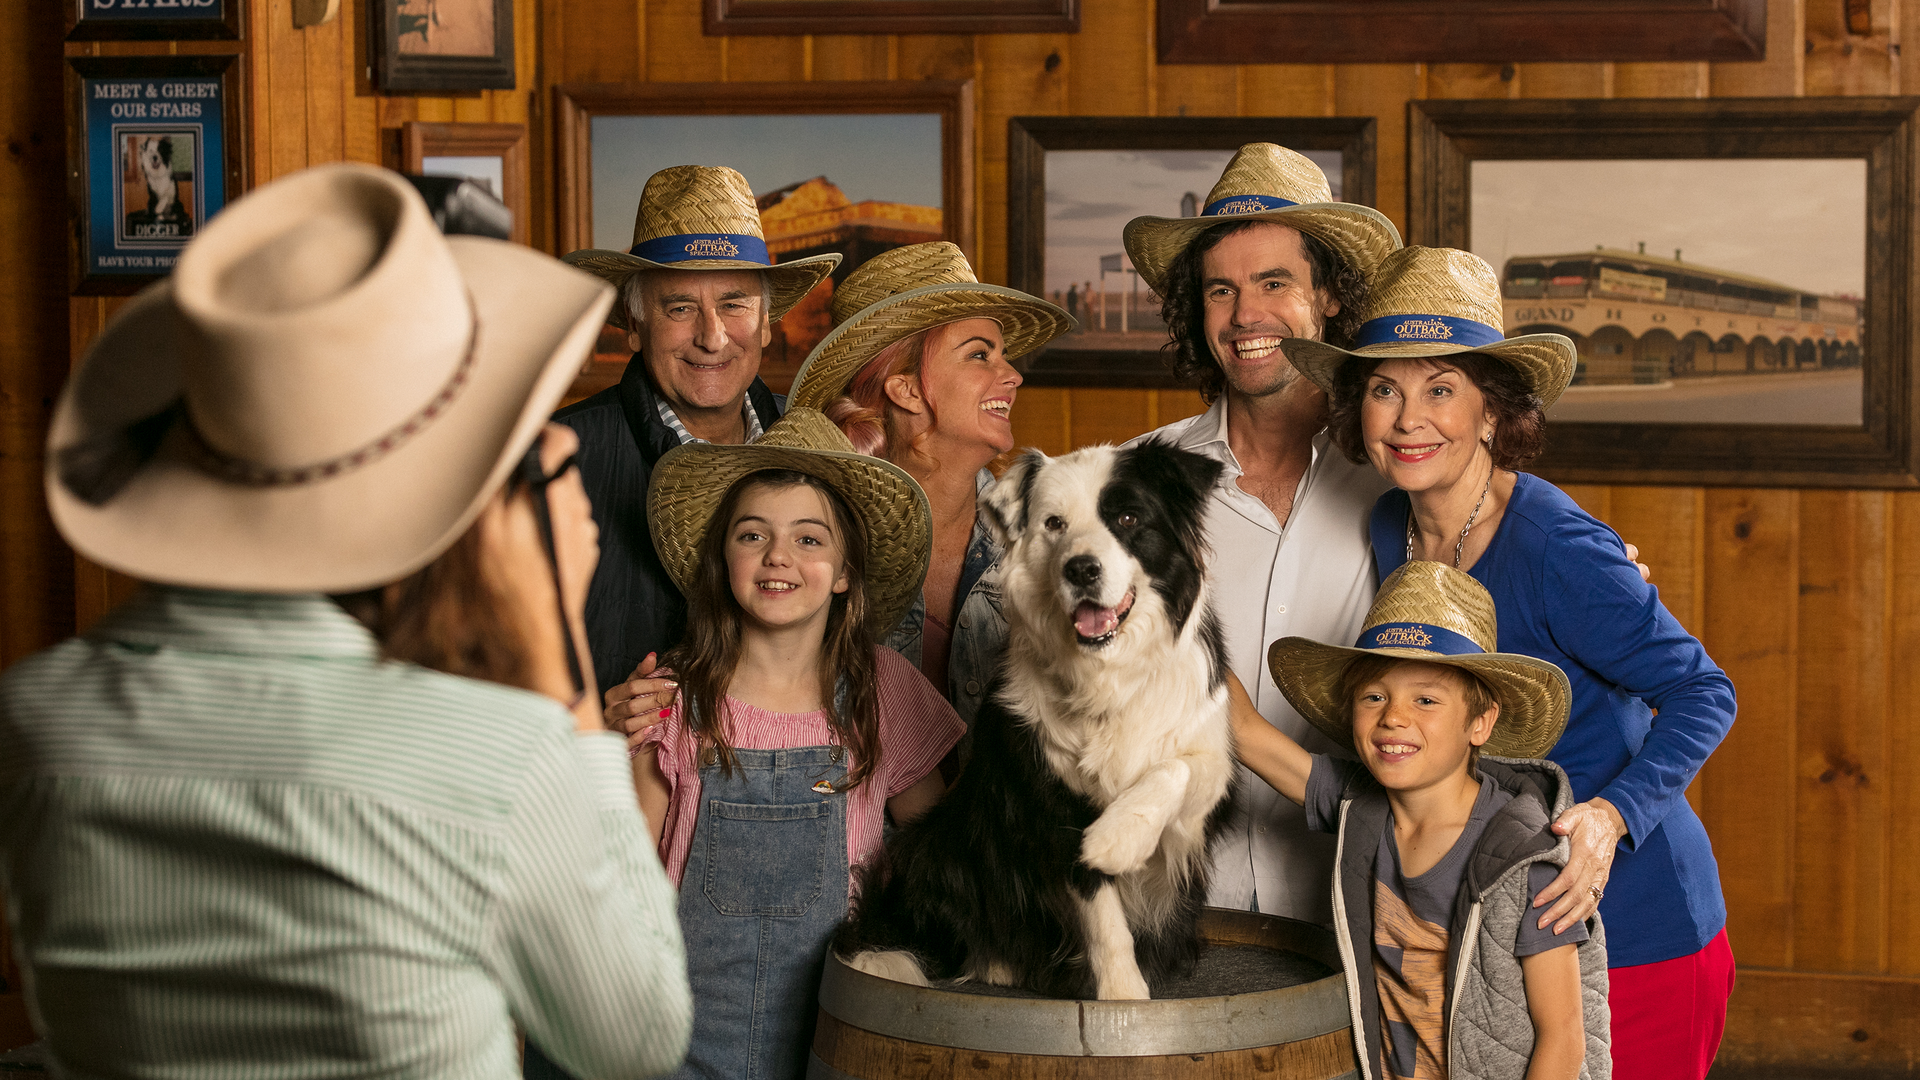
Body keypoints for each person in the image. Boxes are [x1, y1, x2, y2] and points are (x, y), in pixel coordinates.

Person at [1, 163, 689, 1077]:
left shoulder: (35, 718)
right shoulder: (499, 759)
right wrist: (556, 668)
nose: (553, 444)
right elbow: (632, 1046)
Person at [1284, 245, 1737, 1080]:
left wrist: (1611, 818)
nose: (1407, 419)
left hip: (1634, 917)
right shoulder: (1392, 529)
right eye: (1385, 388)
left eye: (1441, 389)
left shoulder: (1560, 547)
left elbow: (1705, 691)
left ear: (1492, 412)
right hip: (1504, 928)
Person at [633, 407, 964, 1080]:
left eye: (810, 540)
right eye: (752, 534)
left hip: (839, 1040)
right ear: (723, 559)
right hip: (677, 1047)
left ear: (844, 573)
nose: (778, 555)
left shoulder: (881, 690)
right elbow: (623, 887)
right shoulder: (671, 700)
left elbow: (943, 858)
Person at [1118, 142, 1402, 922]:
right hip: (1165, 908)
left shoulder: (1400, 481)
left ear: (1331, 297)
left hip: (1355, 905)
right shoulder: (1133, 485)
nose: (1246, 316)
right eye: (1221, 290)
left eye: (1274, 282)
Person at [1246, 560, 1609, 1080]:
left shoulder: (1525, 860)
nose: (1393, 716)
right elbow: (1245, 732)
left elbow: (1565, 1038)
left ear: (1480, 722)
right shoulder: (1361, 812)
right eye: (1374, 696)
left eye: (1426, 699)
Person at [558, 164, 840, 701]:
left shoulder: (819, 449)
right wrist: (587, 725)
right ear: (636, 327)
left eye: (733, 304)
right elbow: (480, 671)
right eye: (681, 308)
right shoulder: (555, 460)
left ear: (765, 322)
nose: (712, 338)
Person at [778, 241, 1070, 729]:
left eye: (1004, 356)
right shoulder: (820, 539)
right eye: (980, 355)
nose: (1014, 376)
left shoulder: (1045, 536)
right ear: (906, 389)